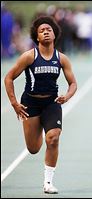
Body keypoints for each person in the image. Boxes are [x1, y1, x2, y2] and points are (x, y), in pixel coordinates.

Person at [4, 15, 77, 194]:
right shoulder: (29, 56)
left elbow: (73, 83)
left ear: (54, 34)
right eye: (42, 31)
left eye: (49, 30)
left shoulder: (62, 59)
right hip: (31, 103)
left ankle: (48, 182)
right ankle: (38, 133)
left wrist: (66, 96)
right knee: (34, 148)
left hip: (52, 103)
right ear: (37, 37)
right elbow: (9, 78)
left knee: (53, 138)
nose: (45, 32)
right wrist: (14, 103)